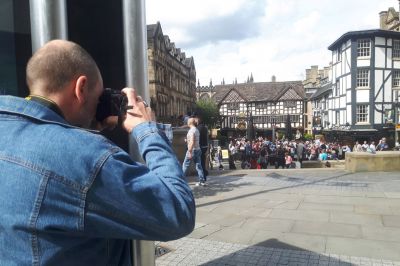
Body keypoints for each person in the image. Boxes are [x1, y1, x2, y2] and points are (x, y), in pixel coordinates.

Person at [0, 40, 195, 265]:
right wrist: (146, 130)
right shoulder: (88, 156)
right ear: (80, 88)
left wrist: (84, 132)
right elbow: (178, 213)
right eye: (98, 96)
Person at [182, 117, 206, 186]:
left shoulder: (191, 131)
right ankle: (202, 181)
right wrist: (187, 140)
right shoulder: (196, 130)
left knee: (185, 165)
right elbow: (194, 140)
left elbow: (192, 141)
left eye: (187, 121)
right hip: (198, 149)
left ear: (189, 123)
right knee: (198, 165)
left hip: (192, 150)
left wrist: (189, 151)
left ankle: (182, 180)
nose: (186, 122)